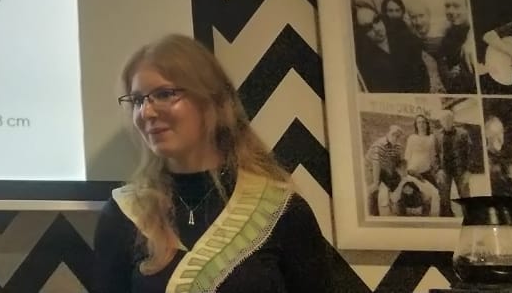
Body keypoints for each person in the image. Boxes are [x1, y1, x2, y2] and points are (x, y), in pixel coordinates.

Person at [92, 35, 333, 292]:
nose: (146, 112)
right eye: (138, 100)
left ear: (212, 101)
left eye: (164, 94)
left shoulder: (281, 210)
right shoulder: (125, 213)